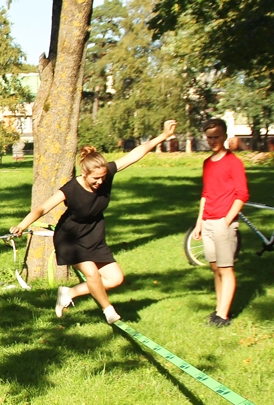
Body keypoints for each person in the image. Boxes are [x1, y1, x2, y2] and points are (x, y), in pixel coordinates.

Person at [10, 120, 178, 324]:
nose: (100, 182)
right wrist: (22, 225)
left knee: (115, 279)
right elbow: (43, 208)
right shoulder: (71, 188)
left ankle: (69, 293)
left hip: (94, 235)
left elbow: (136, 153)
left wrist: (164, 135)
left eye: (103, 177)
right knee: (92, 274)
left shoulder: (106, 174)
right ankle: (108, 311)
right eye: (95, 179)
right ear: (84, 173)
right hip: (70, 238)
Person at [191, 118, 249, 327]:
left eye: (216, 137)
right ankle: (218, 310)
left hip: (223, 223)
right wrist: (199, 223)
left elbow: (242, 194)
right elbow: (206, 194)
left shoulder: (234, 162)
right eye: (209, 137)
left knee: (226, 268)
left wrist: (227, 220)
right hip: (208, 221)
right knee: (215, 267)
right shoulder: (207, 163)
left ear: (224, 136)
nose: (213, 141)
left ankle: (223, 316)